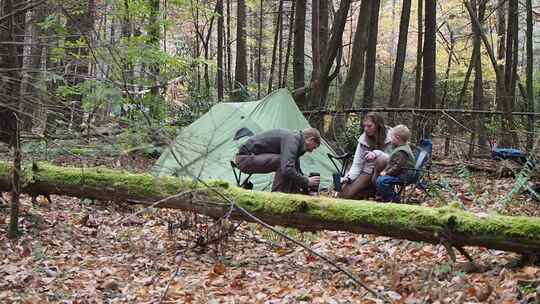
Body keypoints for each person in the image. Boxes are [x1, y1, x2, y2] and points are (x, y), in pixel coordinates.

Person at [234, 128, 321, 194]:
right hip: (245, 158)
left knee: (289, 164)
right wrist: (307, 181)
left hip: (252, 158)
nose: (312, 151)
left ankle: (293, 198)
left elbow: (295, 170)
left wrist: (305, 188)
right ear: (311, 139)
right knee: (284, 163)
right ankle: (277, 197)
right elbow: (287, 169)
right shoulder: (292, 139)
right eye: (314, 147)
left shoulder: (295, 141)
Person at [340, 112, 392, 199]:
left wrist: (376, 153)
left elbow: (392, 158)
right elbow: (357, 165)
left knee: (381, 159)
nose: (366, 129)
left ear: (378, 125)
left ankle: (377, 190)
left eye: (369, 126)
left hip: (385, 172)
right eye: (364, 126)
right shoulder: (363, 140)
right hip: (367, 171)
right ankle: (369, 192)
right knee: (345, 195)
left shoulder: (391, 136)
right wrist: (348, 178)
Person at [376, 124, 416, 203]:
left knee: (382, 181)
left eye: (392, 137)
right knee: (380, 179)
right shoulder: (401, 148)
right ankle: (385, 196)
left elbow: (397, 167)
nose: (390, 139)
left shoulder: (402, 151)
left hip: (405, 176)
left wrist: (386, 173)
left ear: (397, 138)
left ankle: (394, 199)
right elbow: (394, 164)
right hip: (401, 173)